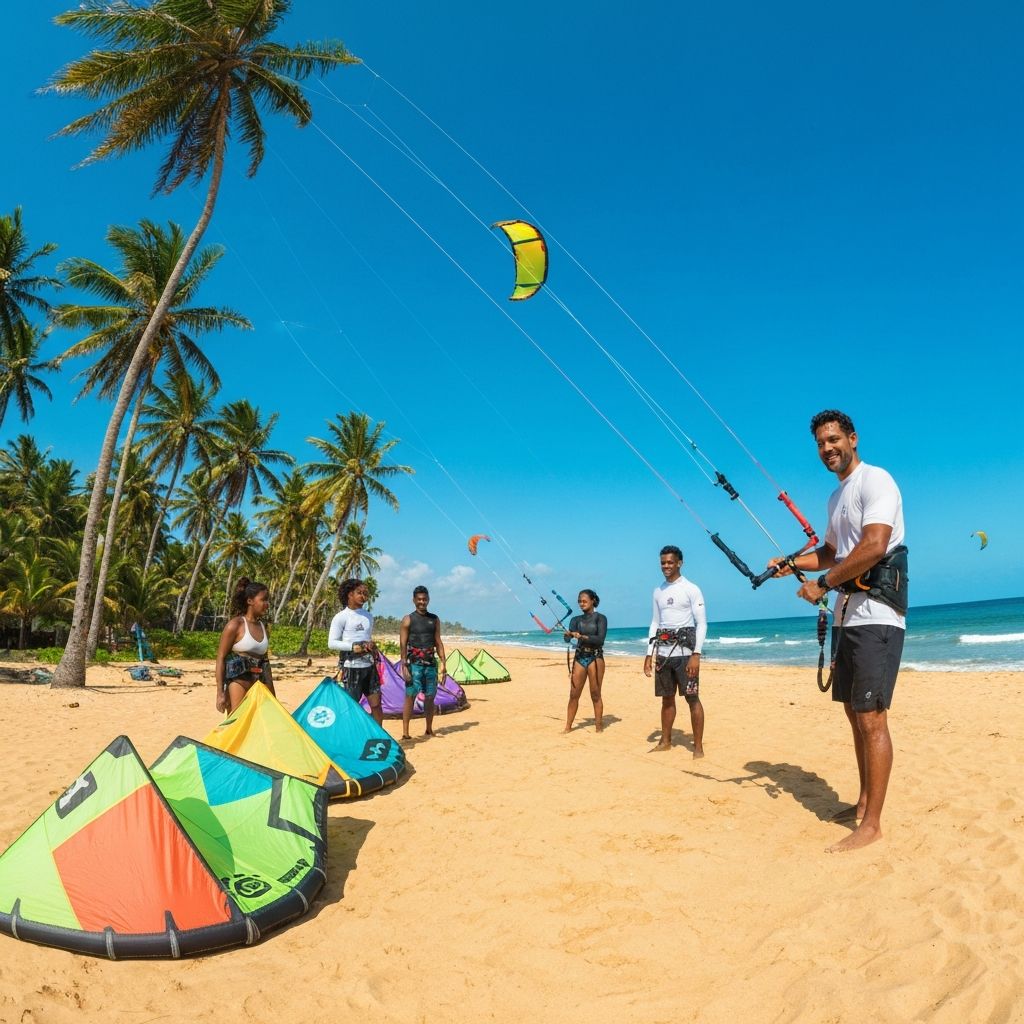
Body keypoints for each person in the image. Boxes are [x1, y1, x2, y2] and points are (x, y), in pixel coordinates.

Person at [770, 409, 906, 854]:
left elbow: (875, 544)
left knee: (872, 717)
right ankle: (864, 801)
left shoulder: (875, 480)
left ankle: (873, 824)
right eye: (820, 444)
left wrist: (822, 585)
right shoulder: (836, 498)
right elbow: (830, 552)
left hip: (878, 616)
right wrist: (791, 563)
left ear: (852, 438)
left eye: (833, 440)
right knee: (853, 713)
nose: (827, 449)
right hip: (849, 617)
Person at [643, 546, 707, 757]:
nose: (666, 566)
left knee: (692, 699)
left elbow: (702, 623)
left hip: (685, 655)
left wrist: (696, 655)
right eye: (663, 562)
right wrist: (648, 653)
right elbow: (655, 622)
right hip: (663, 654)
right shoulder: (658, 591)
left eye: (670, 562)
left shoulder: (691, 588)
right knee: (666, 699)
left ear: (680, 563)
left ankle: (697, 747)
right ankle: (666, 741)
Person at [215, 578, 274, 714]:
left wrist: (272, 693)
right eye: (263, 600)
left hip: (260, 680)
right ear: (250, 601)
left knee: (265, 718)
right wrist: (220, 693)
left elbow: (265, 660)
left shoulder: (263, 627)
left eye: (267, 600)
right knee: (237, 722)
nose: (267, 604)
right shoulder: (235, 625)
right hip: (239, 680)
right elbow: (221, 658)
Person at [328, 578, 382, 724]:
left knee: (376, 705)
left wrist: (371, 646)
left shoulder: (368, 616)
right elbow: (331, 643)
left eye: (365, 593)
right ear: (350, 594)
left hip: (369, 667)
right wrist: (353, 646)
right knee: (350, 707)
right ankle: (349, 739)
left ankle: (380, 738)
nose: (363, 596)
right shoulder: (341, 617)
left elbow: (366, 637)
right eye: (360, 593)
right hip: (351, 668)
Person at [398, 586, 447, 741]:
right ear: (414, 600)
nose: (422, 602)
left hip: (431, 664)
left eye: (424, 599)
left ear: (428, 600)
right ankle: (405, 732)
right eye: (419, 599)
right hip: (414, 665)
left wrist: (443, 663)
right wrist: (404, 664)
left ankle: (429, 729)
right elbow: (403, 643)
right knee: (410, 696)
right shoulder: (408, 619)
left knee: (430, 697)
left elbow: (438, 641)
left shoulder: (434, 619)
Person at [562, 589, 608, 733]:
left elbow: (600, 640)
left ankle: (599, 727)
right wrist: (568, 635)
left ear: (593, 600)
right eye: (579, 601)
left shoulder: (601, 618)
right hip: (580, 657)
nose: (581, 604)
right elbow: (567, 639)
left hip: (595, 657)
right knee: (574, 694)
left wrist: (581, 636)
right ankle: (568, 727)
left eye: (584, 601)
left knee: (595, 694)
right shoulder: (575, 620)